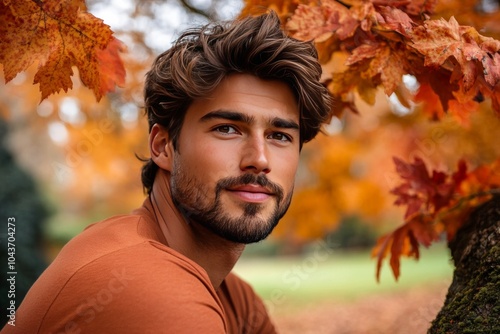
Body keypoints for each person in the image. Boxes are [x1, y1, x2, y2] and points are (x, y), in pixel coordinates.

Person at [1, 11, 331, 334]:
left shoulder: (233, 299)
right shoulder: (146, 287)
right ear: (163, 147)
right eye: (228, 129)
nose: (259, 159)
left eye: (279, 136)